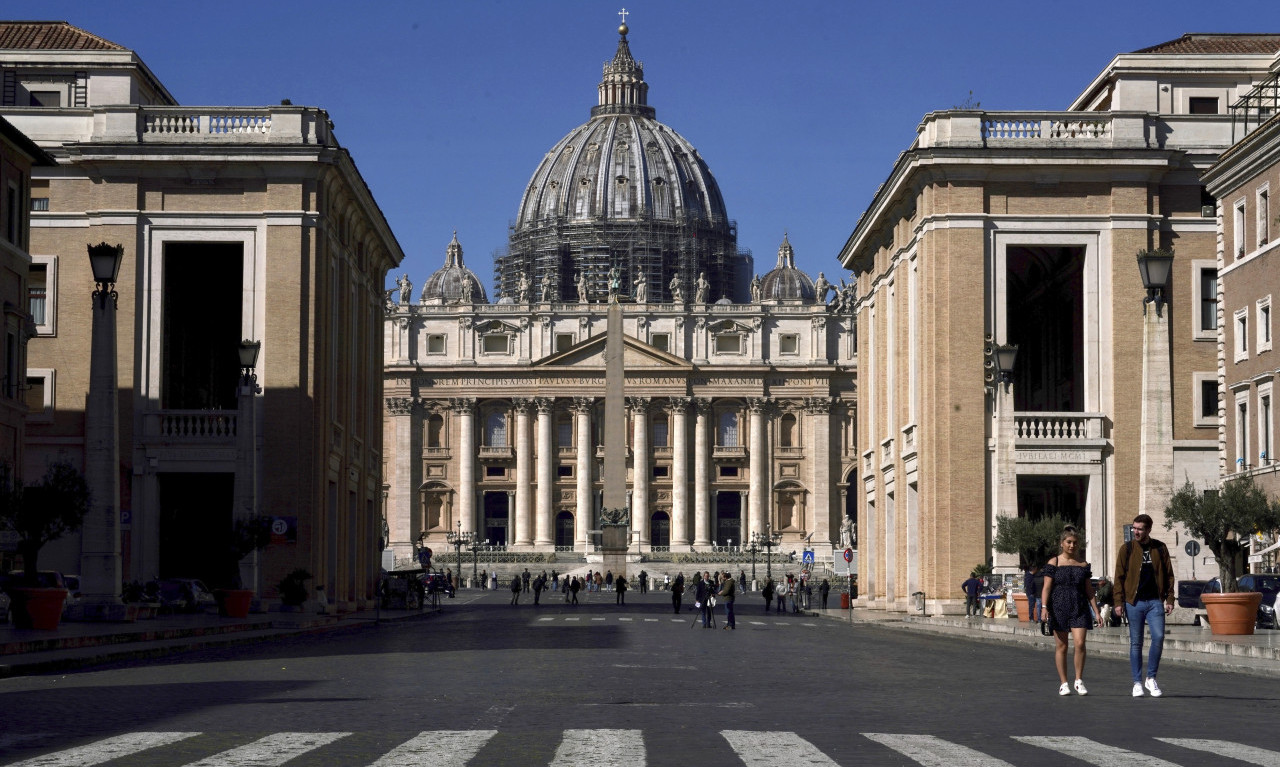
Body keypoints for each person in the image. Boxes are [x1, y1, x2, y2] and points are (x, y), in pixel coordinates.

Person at [1114, 513, 1174, 698]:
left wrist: (1170, 599)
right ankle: (1137, 683)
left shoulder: (1160, 548)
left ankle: (1151, 678)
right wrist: (1118, 602)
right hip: (1134, 602)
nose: (1136, 532)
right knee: (1136, 643)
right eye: (1134, 528)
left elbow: (1169, 575)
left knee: (1159, 636)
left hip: (1155, 601)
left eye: (1140, 529)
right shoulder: (1127, 549)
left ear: (1148, 529)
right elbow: (1119, 577)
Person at [1039, 526, 1100, 696]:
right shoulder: (1054, 562)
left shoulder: (1083, 564)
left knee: (1080, 643)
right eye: (1069, 542)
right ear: (1062, 543)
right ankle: (1063, 683)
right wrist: (1044, 607)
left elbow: (1089, 590)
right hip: (1058, 607)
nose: (1072, 545)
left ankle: (1079, 680)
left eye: (1075, 542)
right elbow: (1046, 588)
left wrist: (1096, 611)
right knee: (1062, 646)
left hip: (1079, 607)